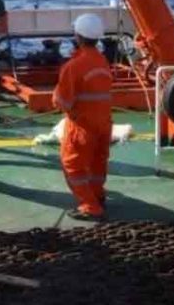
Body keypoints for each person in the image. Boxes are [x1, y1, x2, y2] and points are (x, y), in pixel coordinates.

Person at [54, 14, 112, 221]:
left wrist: (56, 98)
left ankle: (90, 206)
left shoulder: (73, 66)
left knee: (73, 165)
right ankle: (97, 195)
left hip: (82, 126)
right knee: (97, 163)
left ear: (77, 36)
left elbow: (63, 102)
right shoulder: (102, 60)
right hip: (104, 123)